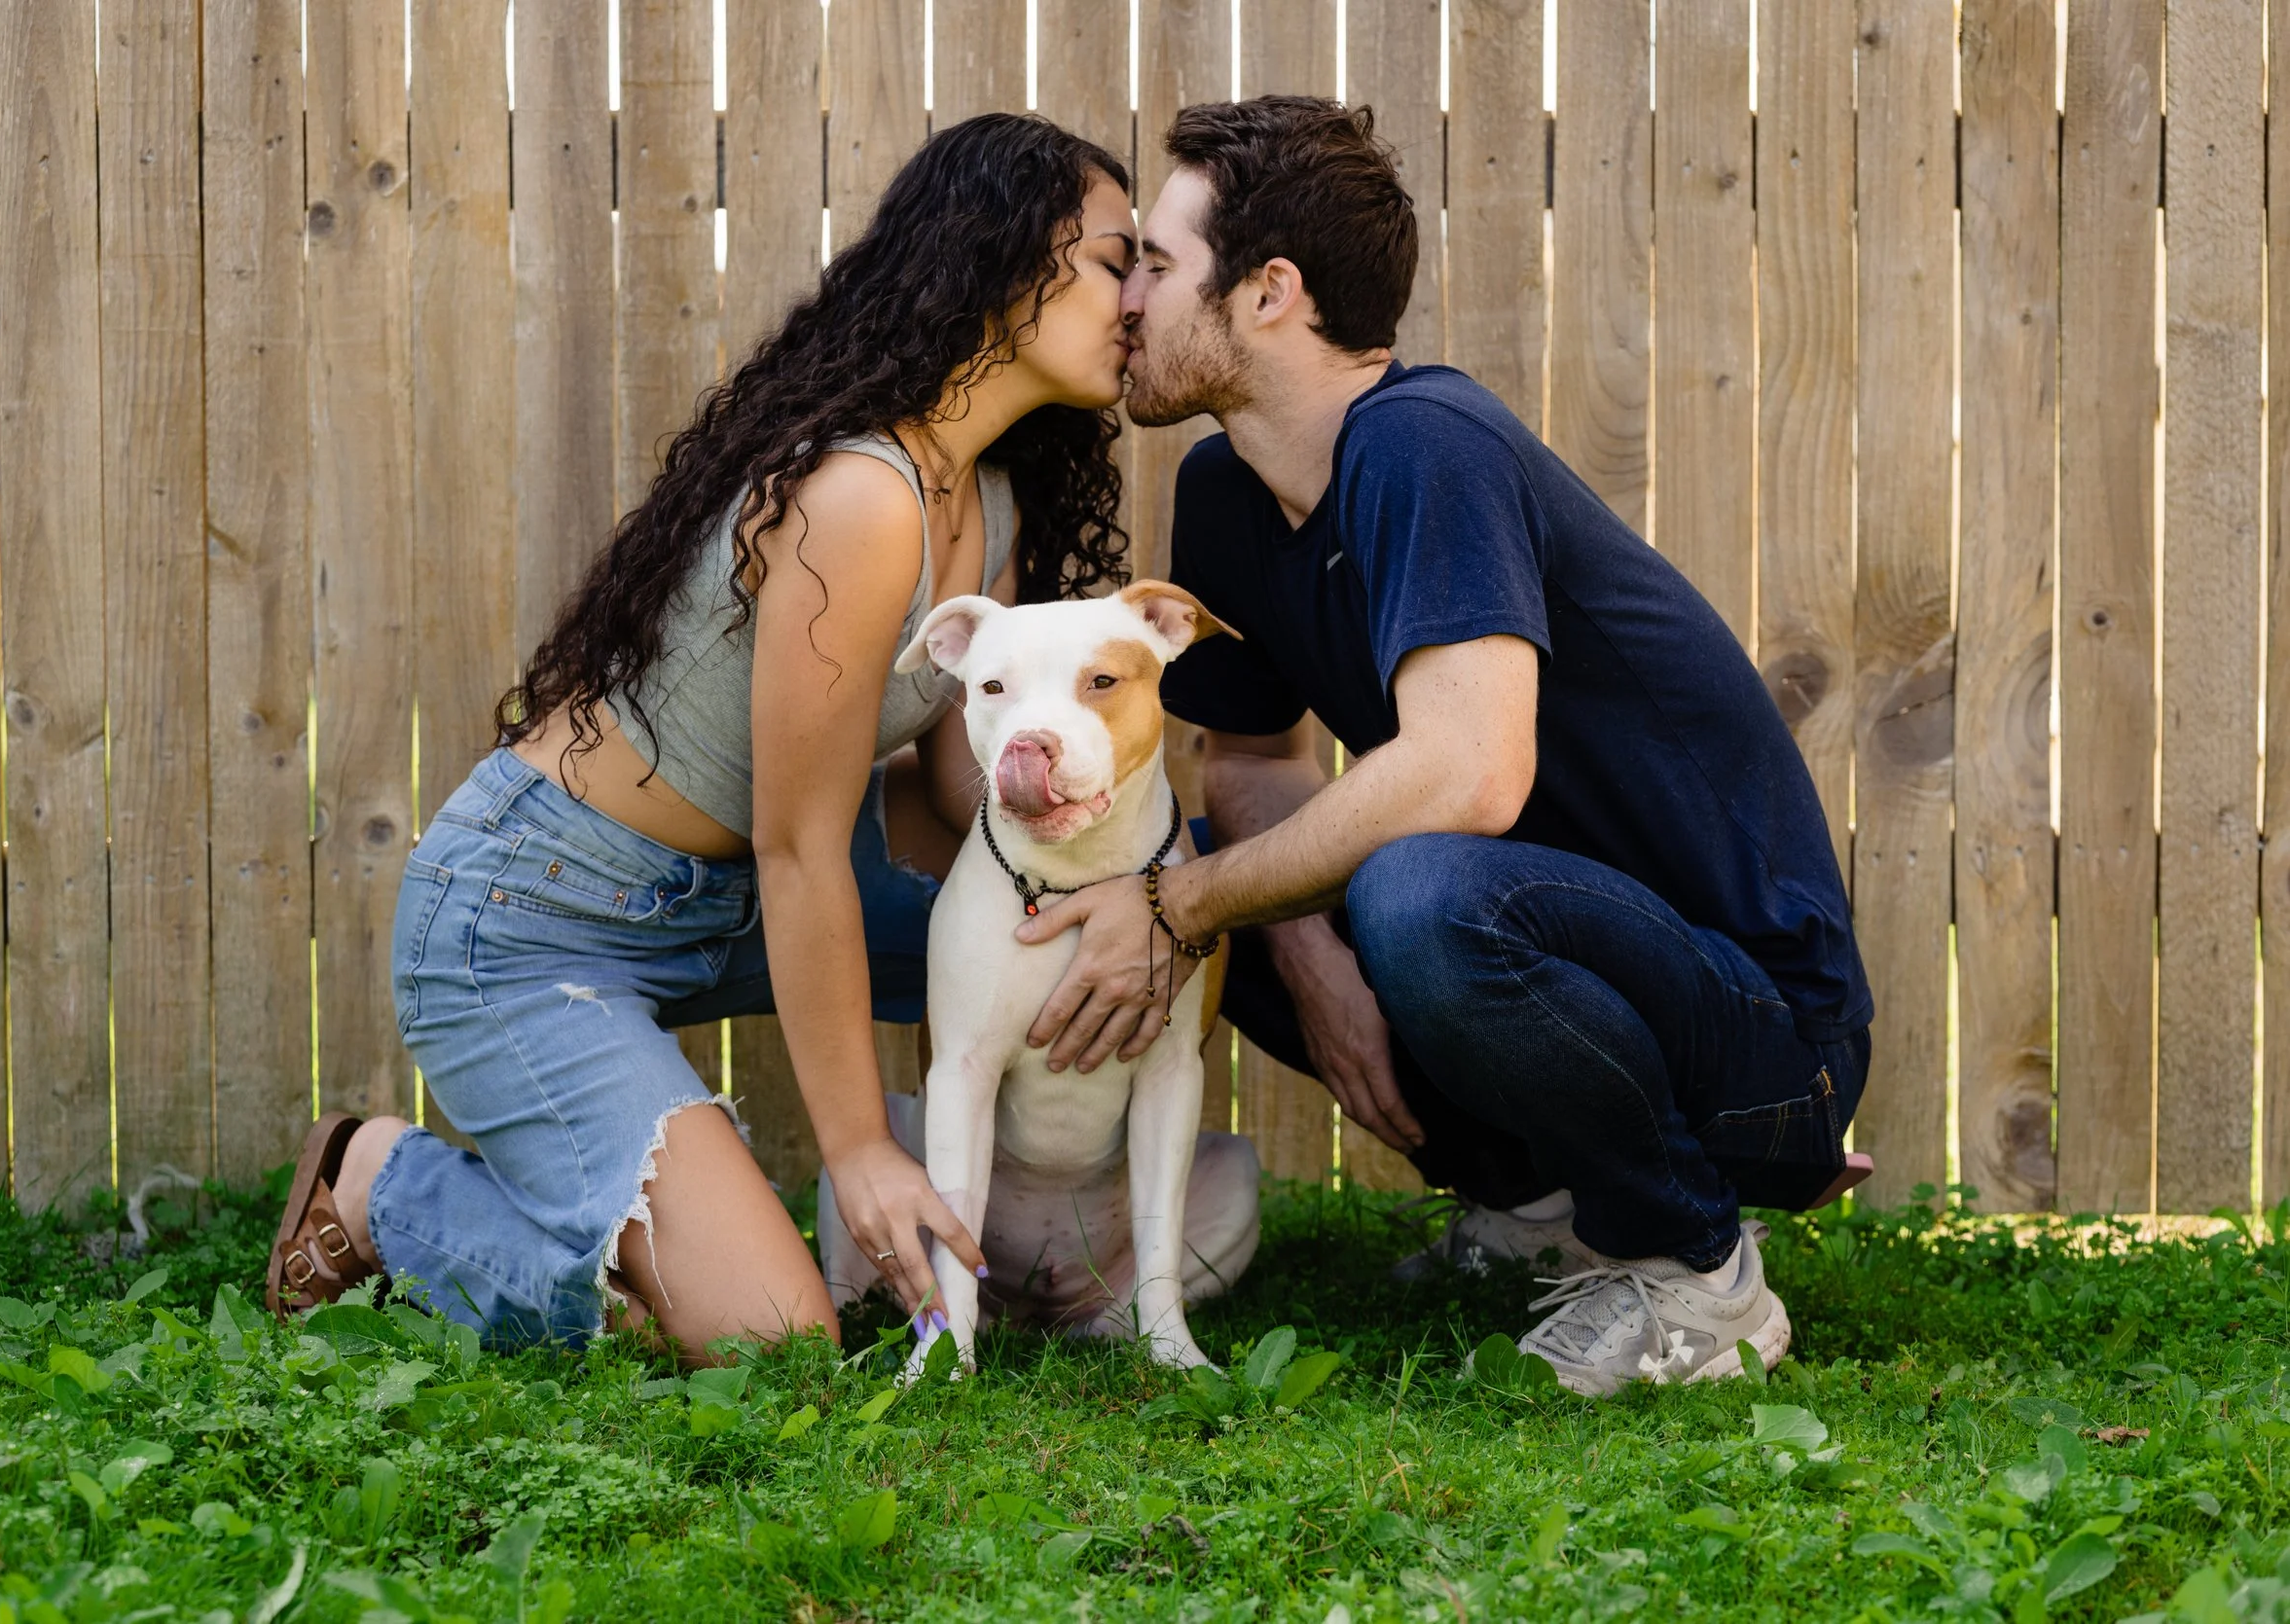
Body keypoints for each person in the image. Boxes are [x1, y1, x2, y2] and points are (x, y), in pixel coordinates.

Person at [264, 114, 1232, 1359]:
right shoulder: (858, 498)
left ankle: (642, 1231)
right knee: (775, 1341)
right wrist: (862, 1153)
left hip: (723, 906)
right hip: (530, 921)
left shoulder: (983, 499)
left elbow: (964, 799)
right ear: (1006, 265)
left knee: (1070, 950)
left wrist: (1135, 906)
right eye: (1116, 261)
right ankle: (379, 1186)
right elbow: (800, 850)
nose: (1140, 299)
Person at [1017, 96, 1872, 1395]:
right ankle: (1537, 1212)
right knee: (1212, 868)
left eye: (1157, 261)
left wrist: (1183, 907)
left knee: (1386, 890)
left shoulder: (1425, 443)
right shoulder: (1226, 492)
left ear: (1269, 295)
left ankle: (1694, 1271)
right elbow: (1249, 761)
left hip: (1761, 1035)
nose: (1126, 297)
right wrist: (1309, 969)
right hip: (1572, 960)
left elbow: (1473, 773)